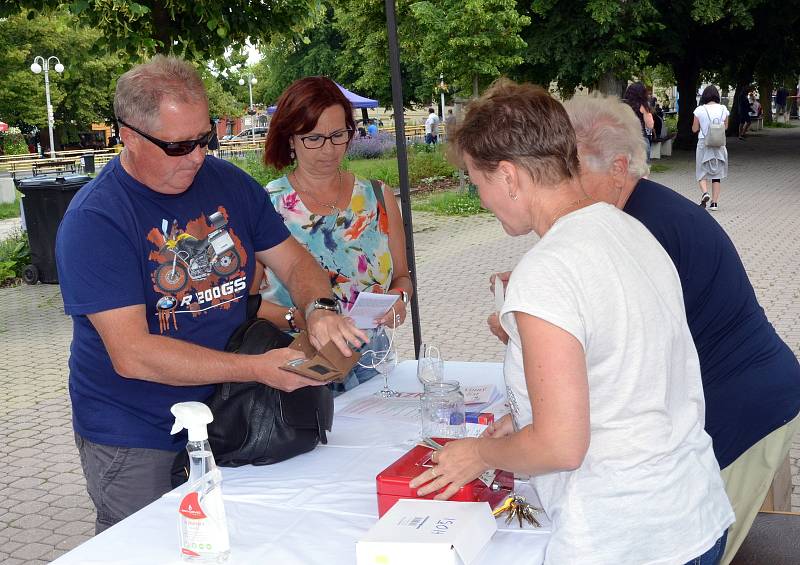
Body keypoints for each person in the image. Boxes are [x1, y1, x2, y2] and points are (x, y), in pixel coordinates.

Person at [411, 79, 733, 564]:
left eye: (477, 184)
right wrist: (520, 425)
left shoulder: (547, 271)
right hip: (691, 513)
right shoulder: (631, 231)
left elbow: (561, 445)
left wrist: (479, 455)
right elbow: (622, 378)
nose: (481, 200)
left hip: (625, 538)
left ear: (509, 176)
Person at [55, 56, 367, 534]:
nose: (199, 156)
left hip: (230, 410)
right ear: (130, 136)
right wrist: (259, 370)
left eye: (205, 138)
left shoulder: (230, 185)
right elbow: (133, 355)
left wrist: (320, 309)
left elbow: (297, 263)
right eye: (179, 146)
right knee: (147, 548)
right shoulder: (95, 220)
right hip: (138, 432)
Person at [489, 93, 800, 565]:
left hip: (739, 406)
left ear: (618, 168)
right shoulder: (630, 223)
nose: (566, 182)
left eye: (575, 169)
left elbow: (595, 398)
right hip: (727, 419)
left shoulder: (638, 225)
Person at [258, 76, 413, 394]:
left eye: (337, 135)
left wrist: (400, 300)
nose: (328, 150)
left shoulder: (377, 197)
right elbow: (248, 306)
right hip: (302, 368)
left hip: (373, 360)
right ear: (290, 139)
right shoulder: (268, 205)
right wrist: (304, 318)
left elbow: (402, 277)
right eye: (313, 138)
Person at [693, 85, 729, 211]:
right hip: (719, 143)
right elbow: (725, 127)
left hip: (704, 142)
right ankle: (714, 203)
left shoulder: (699, 110)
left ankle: (705, 193)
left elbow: (694, 129)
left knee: (701, 170)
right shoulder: (723, 109)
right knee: (716, 173)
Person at [622, 81, 655, 161]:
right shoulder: (643, 106)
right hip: (640, 140)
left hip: (624, 140)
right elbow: (650, 125)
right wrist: (649, 114)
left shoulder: (623, 105)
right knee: (642, 169)